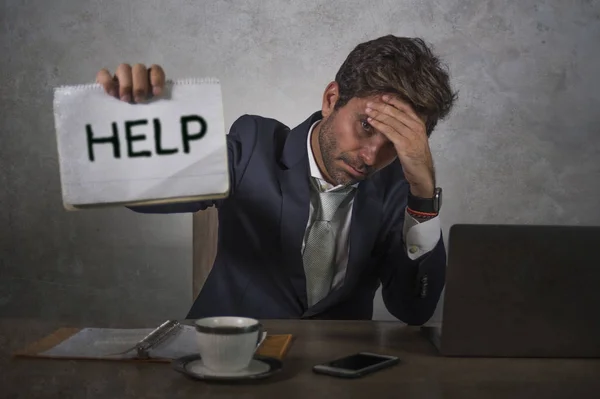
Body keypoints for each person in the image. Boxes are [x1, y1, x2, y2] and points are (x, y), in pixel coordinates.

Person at [96, 35, 457, 324]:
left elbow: (414, 311)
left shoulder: (398, 188)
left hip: (334, 374)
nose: (370, 157)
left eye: (394, 143)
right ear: (332, 99)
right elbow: (139, 191)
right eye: (366, 126)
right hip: (226, 360)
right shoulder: (254, 145)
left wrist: (424, 195)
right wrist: (135, 127)